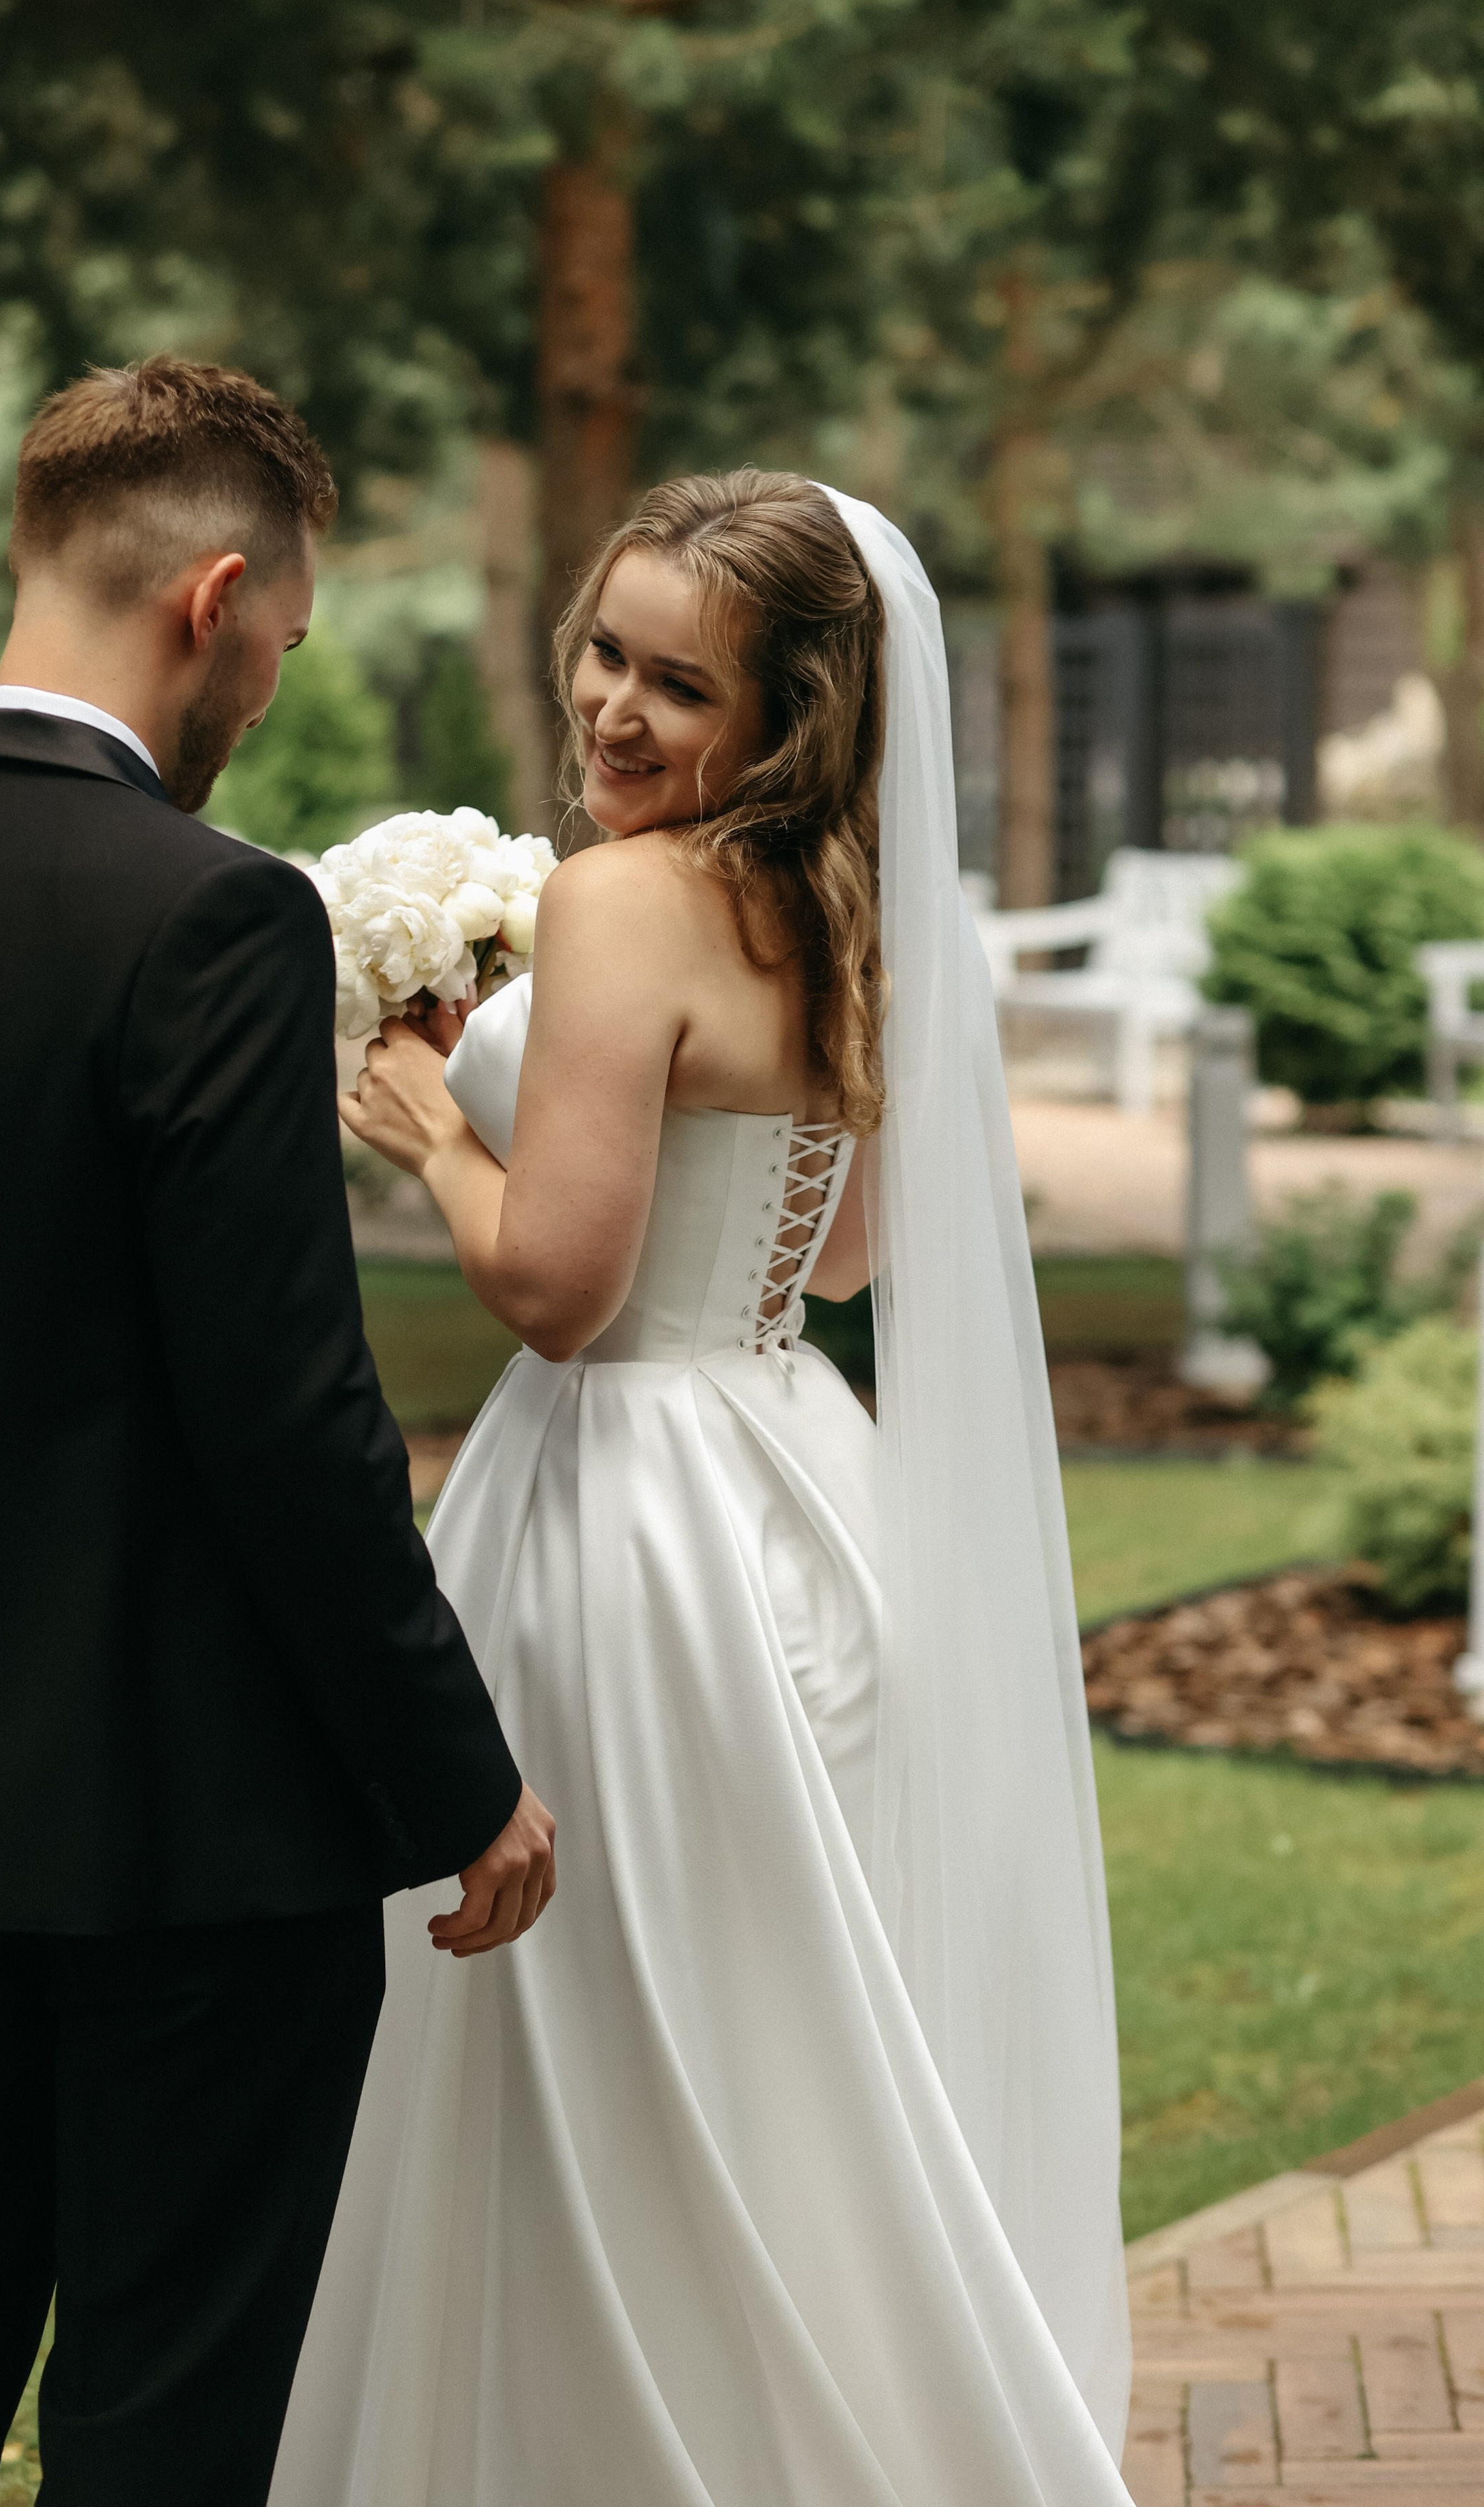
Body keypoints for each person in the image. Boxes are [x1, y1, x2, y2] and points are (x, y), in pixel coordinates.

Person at [0, 355, 555, 2507]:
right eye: (278, 645)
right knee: (165, 2417)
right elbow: (289, 1413)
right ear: (212, 598)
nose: (266, 697)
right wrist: (457, 1775)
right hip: (199, 1833)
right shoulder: (213, 915)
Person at [276, 472, 1134, 2504]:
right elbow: (832, 1266)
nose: (618, 716)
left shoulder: (626, 898)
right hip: (803, 1501)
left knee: (602, 2044)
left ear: (795, 716)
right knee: (779, 2045)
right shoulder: (865, 914)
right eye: (608, 655)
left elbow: (563, 1297)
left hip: (629, 1529)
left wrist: (425, 1120)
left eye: (685, 686)